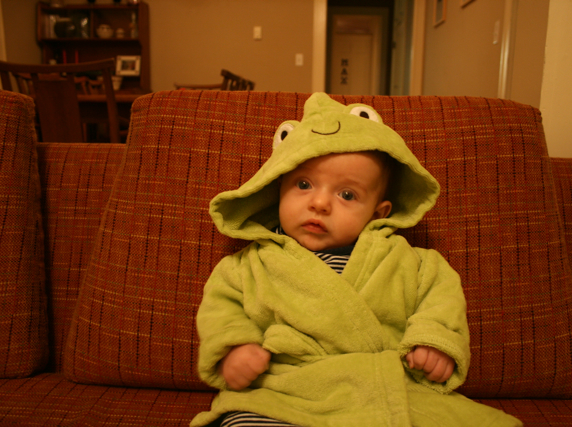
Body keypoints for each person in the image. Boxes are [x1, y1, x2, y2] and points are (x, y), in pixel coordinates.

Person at [191, 93, 522, 427]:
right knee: (243, 421)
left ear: (378, 213)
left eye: (347, 194)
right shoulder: (246, 267)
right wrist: (234, 349)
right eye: (303, 184)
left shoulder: (412, 263)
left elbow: (441, 301)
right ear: (277, 189)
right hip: (284, 387)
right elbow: (222, 311)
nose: (320, 203)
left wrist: (433, 343)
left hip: (384, 387)